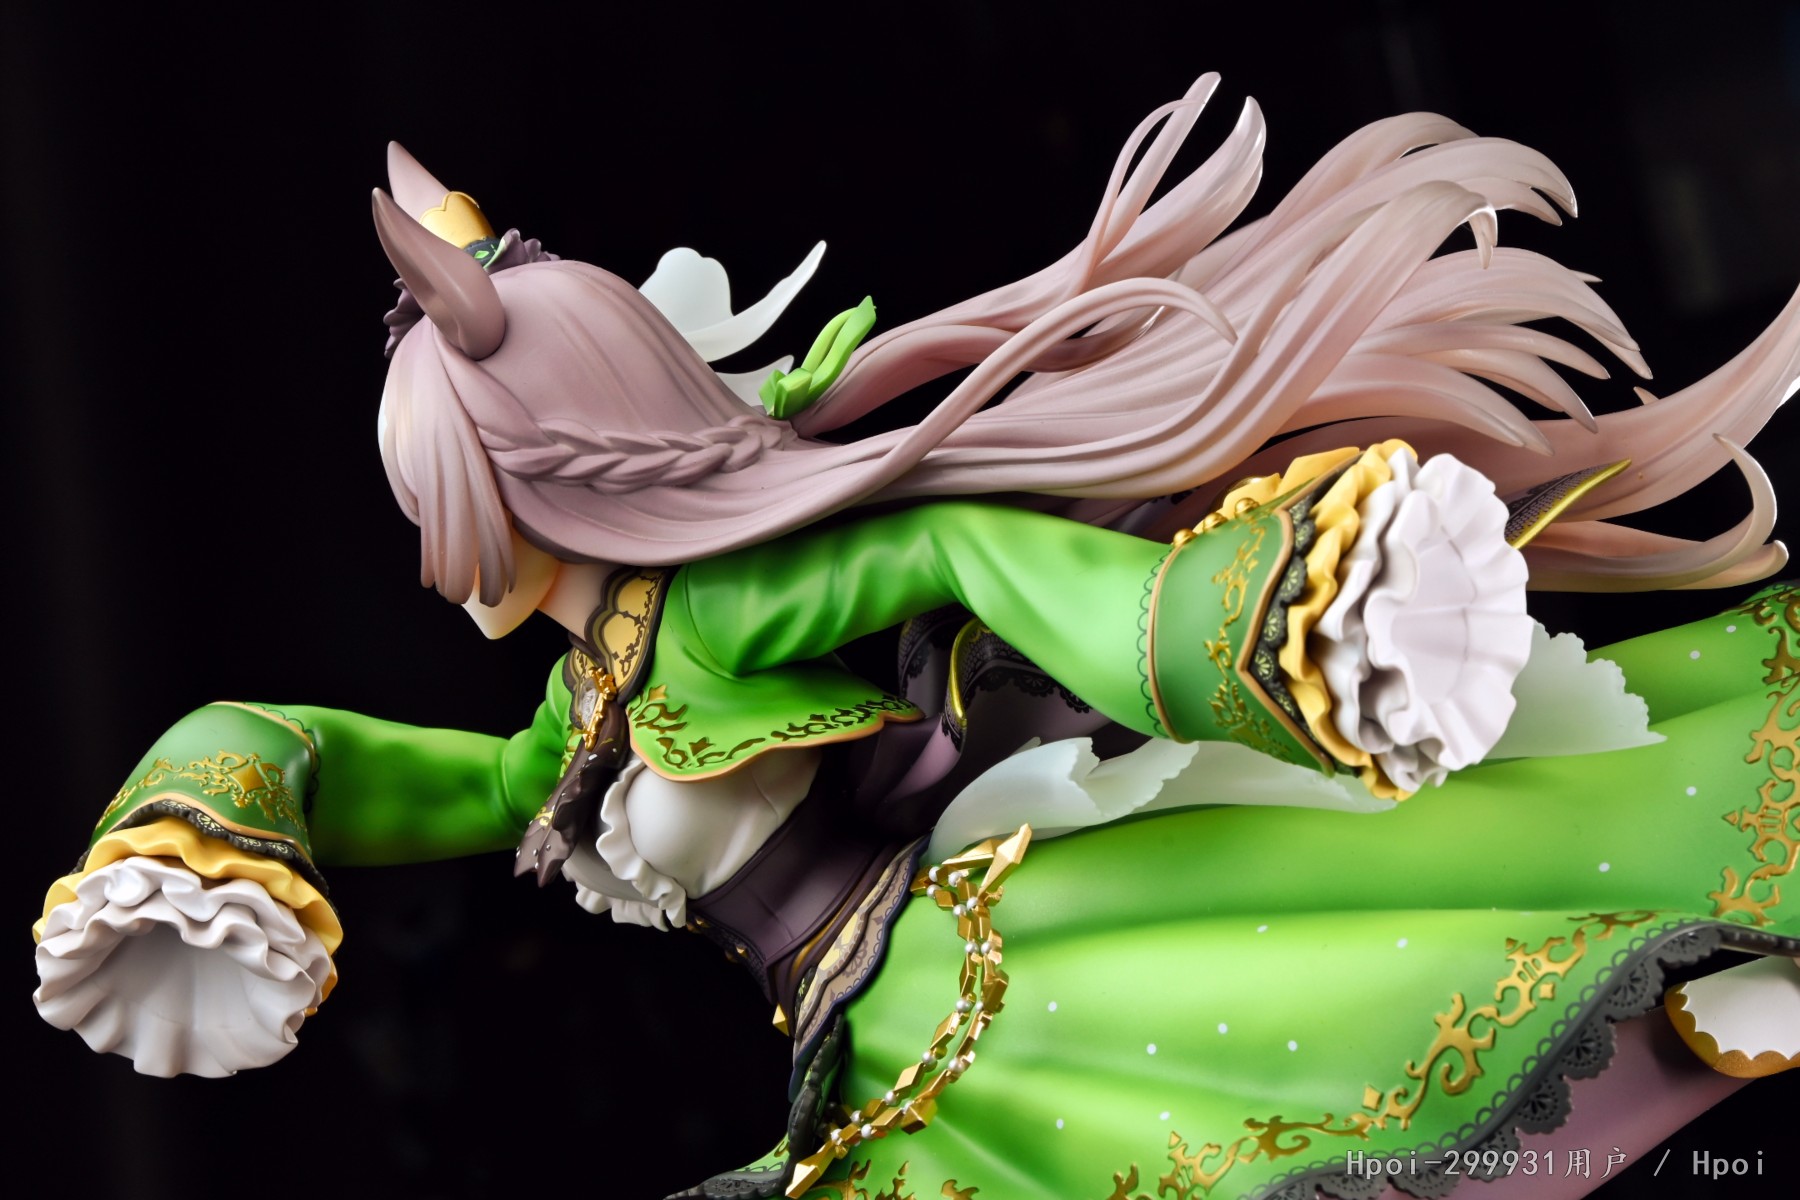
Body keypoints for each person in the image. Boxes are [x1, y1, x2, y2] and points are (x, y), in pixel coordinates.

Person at [32, 75, 1799, 1199]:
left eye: (439, 497)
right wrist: (217, 817)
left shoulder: (727, 609)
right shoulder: (590, 703)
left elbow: (956, 540)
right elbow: (426, 782)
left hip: (984, 991)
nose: (440, 553)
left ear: (520, 483)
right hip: (867, 1061)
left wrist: (1234, 623)